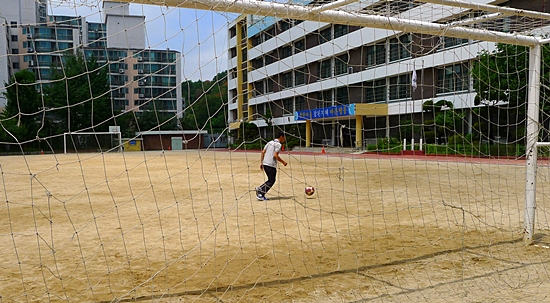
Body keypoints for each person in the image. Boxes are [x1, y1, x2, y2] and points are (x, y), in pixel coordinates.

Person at [256, 132, 287, 201]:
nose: (284, 139)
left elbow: (263, 152)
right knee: (272, 180)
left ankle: (260, 188)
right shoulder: (278, 144)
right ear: (281, 137)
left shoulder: (270, 142)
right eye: (284, 138)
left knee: (270, 179)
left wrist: (261, 162)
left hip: (265, 163)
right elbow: (275, 155)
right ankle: (261, 194)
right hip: (271, 165)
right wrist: (283, 162)